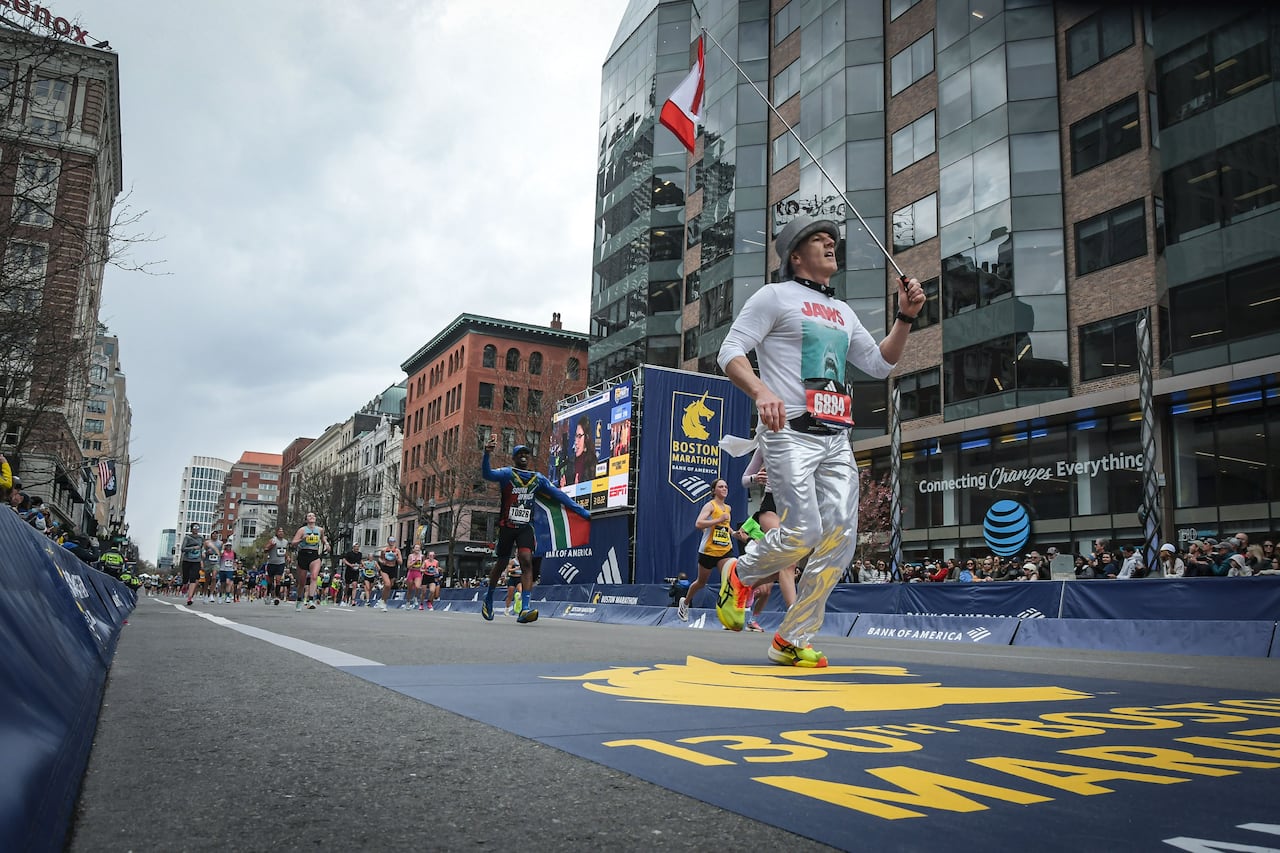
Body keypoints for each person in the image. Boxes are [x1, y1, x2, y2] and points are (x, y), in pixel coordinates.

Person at [716, 212, 924, 667]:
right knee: (805, 530)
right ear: (796, 255)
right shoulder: (773, 297)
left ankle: (792, 637)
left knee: (842, 538)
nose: (831, 243)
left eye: (833, 239)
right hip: (788, 431)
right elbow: (729, 351)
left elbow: (881, 363)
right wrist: (761, 390)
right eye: (819, 239)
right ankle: (740, 571)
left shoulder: (843, 311)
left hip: (836, 438)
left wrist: (904, 317)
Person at [479, 439, 590, 623]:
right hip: (507, 526)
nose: (523, 456)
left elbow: (559, 495)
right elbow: (487, 474)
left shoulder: (537, 479)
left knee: (526, 562)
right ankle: (489, 598)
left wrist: (580, 510)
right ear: (514, 457)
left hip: (525, 527)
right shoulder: (507, 474)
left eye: (526, 454)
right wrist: (487, 454)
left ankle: (525, 609)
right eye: (519, 454)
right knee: (501, 564)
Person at [678, 478, 742, 622]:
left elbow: (726, 525)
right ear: (714, 491)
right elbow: (699, 523)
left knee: (731, 579)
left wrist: (733, 533)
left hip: (725, 549)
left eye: (726, 486)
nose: (724, 489)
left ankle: (727, 614)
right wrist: (718, 520)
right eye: (721, 487)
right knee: (701, 582)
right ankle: (685, 602)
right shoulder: (710, 506)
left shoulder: (728, 508)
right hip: (708, 551)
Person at [289, 512, 330, 611]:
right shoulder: (302, 530)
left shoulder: (320, 530)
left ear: (315, 519)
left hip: (314, 555)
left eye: (313, 516)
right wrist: (301, 539)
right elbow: (293, 543)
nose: (311, 517)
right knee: (302, 583)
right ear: (306, 519)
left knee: (314, 577)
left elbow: (323, 538)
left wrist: (327, 544)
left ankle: (311, 600)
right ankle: (299, 600)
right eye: (309, 516)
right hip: (303, 555)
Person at [370, 535, 402, 612]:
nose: (392, 542)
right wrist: (382, 561)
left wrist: (396, 557)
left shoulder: (397, 551)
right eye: (390, 541)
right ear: (388, 542)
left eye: (393, 540)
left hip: (393, 568)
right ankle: (383, 603)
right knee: (387, 584)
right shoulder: (384, 550)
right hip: (385, 568)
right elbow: (380, 559)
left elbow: (400, 562)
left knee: (389, 587)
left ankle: (383, 600)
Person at [570, 415, 597, 485]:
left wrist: (578, 487)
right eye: (576, 436)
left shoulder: (592, 461)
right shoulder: (570, 462)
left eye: (579, 436)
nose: (576, 442)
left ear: (586, 438)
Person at [265, 526, 290, 604]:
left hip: (281, 563)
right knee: (270, 581)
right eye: (279, 531)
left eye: (282, 531)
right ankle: (268, 595)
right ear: (276, 533)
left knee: (278, 580)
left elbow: (284, 551)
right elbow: (265, 549)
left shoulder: (285, 542)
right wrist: (270, 546)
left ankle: (277, 597)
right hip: (272, 563)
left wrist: (287, 557)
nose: (281, 533)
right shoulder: (273, 540)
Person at [340, 542, 363, 607]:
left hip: (356, 571)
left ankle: (353, 600)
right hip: (349, 571)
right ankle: (345, 598)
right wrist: (350, 565)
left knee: (354, 585)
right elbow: (344, 560)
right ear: (353, 547)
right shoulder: (349, 553)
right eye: (356, 546)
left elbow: (360, 561)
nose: (357, 548)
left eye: (358, 546)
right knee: (347, 585)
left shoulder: (360, 554)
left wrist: (361, 565)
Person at [404, 543, 426, 611]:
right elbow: (408, 566)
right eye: (416, 548)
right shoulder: (410, 556)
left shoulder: (421, 556)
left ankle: (415, 597)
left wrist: (422, 568)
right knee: (410, 589)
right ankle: (408, 602)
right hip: (411, 572)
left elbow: (424, 564)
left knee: (417, 586)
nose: (417, 549)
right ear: (413, 549)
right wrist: (415, 562)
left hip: (418, 572)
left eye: (418, 548)